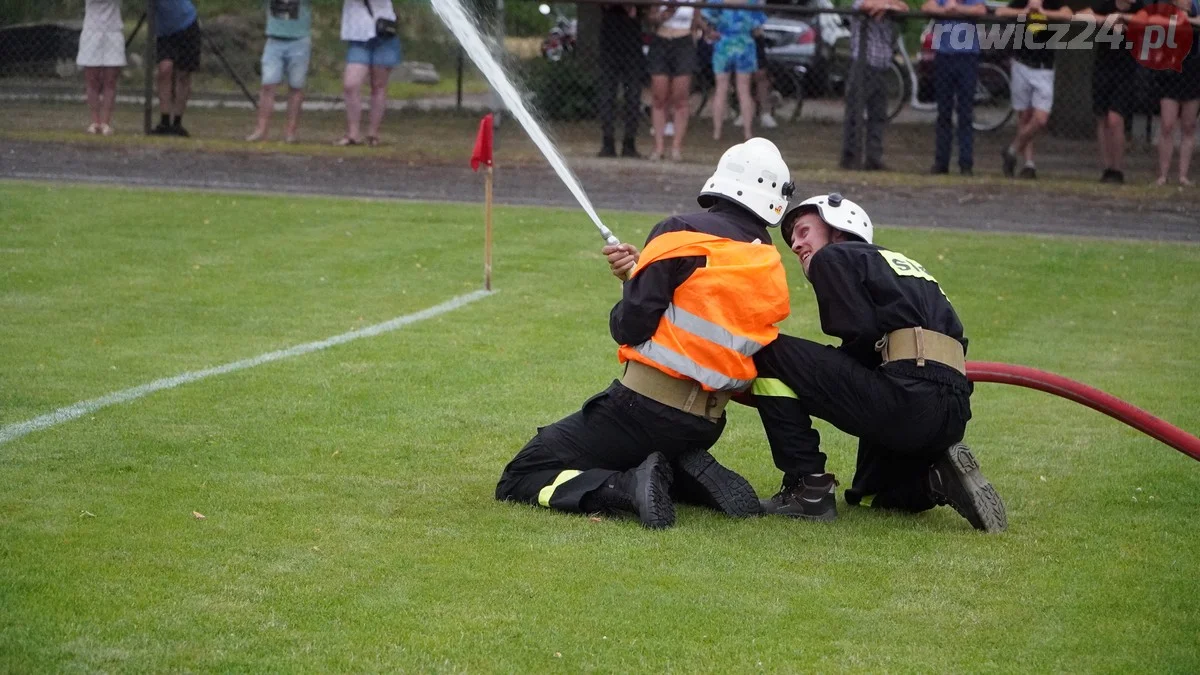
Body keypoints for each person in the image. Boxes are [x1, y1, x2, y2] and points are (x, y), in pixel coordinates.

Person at [495, 138, 795, 529]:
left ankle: (625, 484)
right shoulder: (766, 261)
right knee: (640, 446)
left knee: (521, 475)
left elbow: (629, 327)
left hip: (643, 411)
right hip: (705, 425)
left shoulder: (677, 232)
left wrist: (632, 284)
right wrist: (639, 275)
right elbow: (702, 307)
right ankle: (682, 474)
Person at [749, 193, 1007, 532]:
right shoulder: (905, 267)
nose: (796, 245)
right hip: (952, 413)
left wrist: (824, 372)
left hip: (905, 398)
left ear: (838, 229)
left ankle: (807, 490)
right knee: (870, 495)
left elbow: (861, 334)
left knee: (769, 352)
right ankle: (934, 479)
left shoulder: (835, 257)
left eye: (803, 231)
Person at [998, 0, 1073, 180]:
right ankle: (1029, 164)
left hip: (1044, 68)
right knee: (1024, 116)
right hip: (1022, 64)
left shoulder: (1051, 3)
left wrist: (1041, 12)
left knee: (1040, 119)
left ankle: (1012, 149)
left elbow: (1067, 14)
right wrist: (1024, 12)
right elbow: (1001, 11)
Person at [1080, 0, 1145, 184]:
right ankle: (1107, 167)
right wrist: (1106, 20)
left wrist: (1124, 17)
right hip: (1103, 66)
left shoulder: (1138, 7)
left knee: (1115, 119)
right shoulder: (1106, 4)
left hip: (1125, 69)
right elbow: (1081, 14)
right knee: (1102, 118)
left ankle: (1117, 168)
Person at [840, 0, 908, 171]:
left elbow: (904, 7)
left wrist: (885, 7)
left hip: (883, 66)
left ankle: (874, 158)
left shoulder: (887, 4)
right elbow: (865, 7)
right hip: (864, 64)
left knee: (878, 115)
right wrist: (883, 7)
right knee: (855, 112)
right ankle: (850, 158)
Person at [922, 0, 987, 175]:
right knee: (944, 113)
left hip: (967, 58)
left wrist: (957, 9)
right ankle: (941, 162)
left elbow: (980, 10)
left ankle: (966, 163)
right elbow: (927, 7)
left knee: (965, 113)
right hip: (944, 57)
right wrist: (945, 10)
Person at [247, 0, 313, 144]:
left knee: (296, 86)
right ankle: (261, 130)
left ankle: (290, 132)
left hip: (299, 40)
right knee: (268, 85)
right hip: (274, 40)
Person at [701, 0, 767, 141]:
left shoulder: (717, 1)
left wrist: (711, 32)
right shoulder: (751, 2)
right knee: (744, 90)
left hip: (723, 44)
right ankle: (748, 132)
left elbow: (705, 17)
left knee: (721, 88)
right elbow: (757, 29)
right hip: (745, 45)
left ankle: (717, 131)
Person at [338, 0, 401, 147]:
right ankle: (353, 133)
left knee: (378, 85)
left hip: (383, 31)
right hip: (358, 34)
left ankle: (373, 134)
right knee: (351, 84)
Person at [1152, 0, 1200, 186]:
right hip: (1171, 69)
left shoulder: (1196, 6)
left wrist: (1188, 19)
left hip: (1193, 69)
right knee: (1167, 124)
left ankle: (1183, 175)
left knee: (1188, 125)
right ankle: (1163, 175)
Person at [646, 1, 700, 161]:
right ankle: (659, 147)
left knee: (680, 99)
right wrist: (662, 16)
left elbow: (696, 22)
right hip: (661, 41)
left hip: (683, 42)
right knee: (659, 98)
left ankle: (676, 147)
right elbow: (651, 18)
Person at [597, 3, 645, 158]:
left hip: (632, 41)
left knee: (633, 95)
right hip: (609, 41)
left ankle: (629, 143)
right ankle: (607, 142)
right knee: (607, 94)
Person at [152, 0, 201, 137]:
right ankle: (164, 120)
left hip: (186, 23)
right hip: (165, 31)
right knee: (165, 69)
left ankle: (177, 122)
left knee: (184, 73)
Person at [77, 0, 126, 136]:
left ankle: (105, 123)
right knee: (92, 80)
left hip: (113, 32)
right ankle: (95, 122)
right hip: (92, 32)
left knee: (110, 80)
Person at [734, 32, 780, 133]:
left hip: (755, 43)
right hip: (739, 41)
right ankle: (744, 113)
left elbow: (758, 29)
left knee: (761, 76)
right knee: (743, 78)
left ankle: (765, 114)